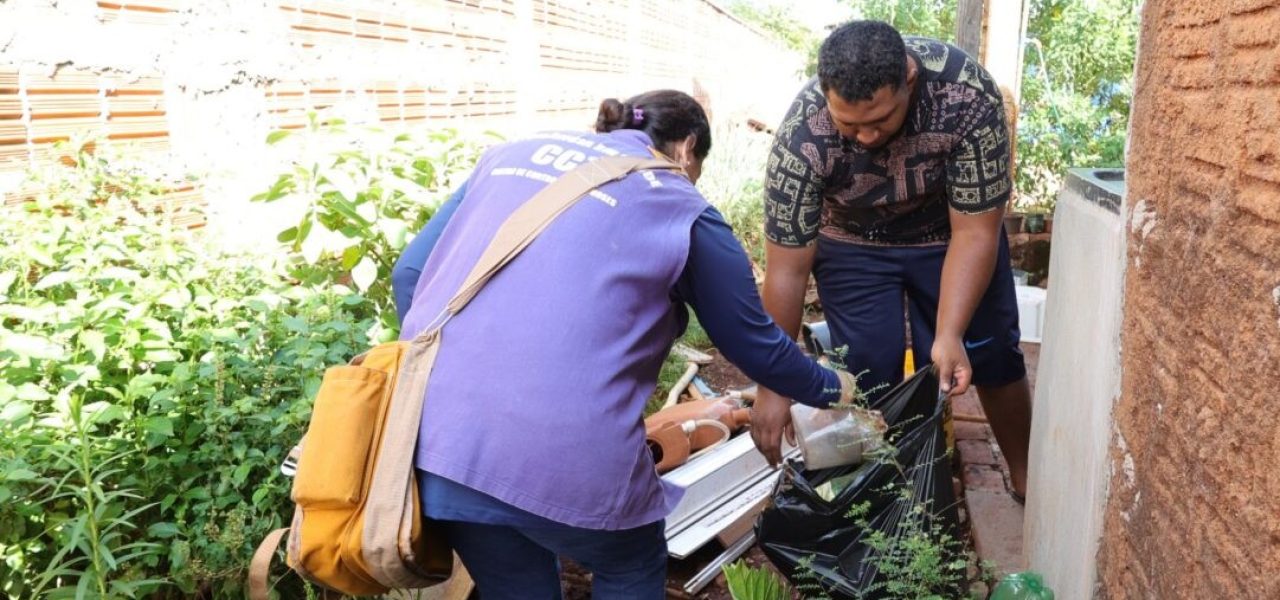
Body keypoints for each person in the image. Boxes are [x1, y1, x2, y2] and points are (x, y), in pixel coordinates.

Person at [391, 90, 858, 599]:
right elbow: (754, 345)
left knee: (514, 578)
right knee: (630, 561)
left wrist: (464, 376)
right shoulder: (682, 206)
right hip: (569, 454)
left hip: (439, 442)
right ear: (687, 149)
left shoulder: (506, 157)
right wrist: (835, 388)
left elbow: (410, 274)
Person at [750, 21, 1033, 499]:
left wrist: (949, 333)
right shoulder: (802, 136)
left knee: (989, 350)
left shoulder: (966, 96)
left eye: (880, 119)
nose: (865, 137)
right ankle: (892, 496)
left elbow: (975, 232)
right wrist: (773, 384)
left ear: (910, 79)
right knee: (867, 368)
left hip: (948, 234)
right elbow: (787, 270)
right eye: (849, 125)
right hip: (852, 242)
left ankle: (1027, 477)